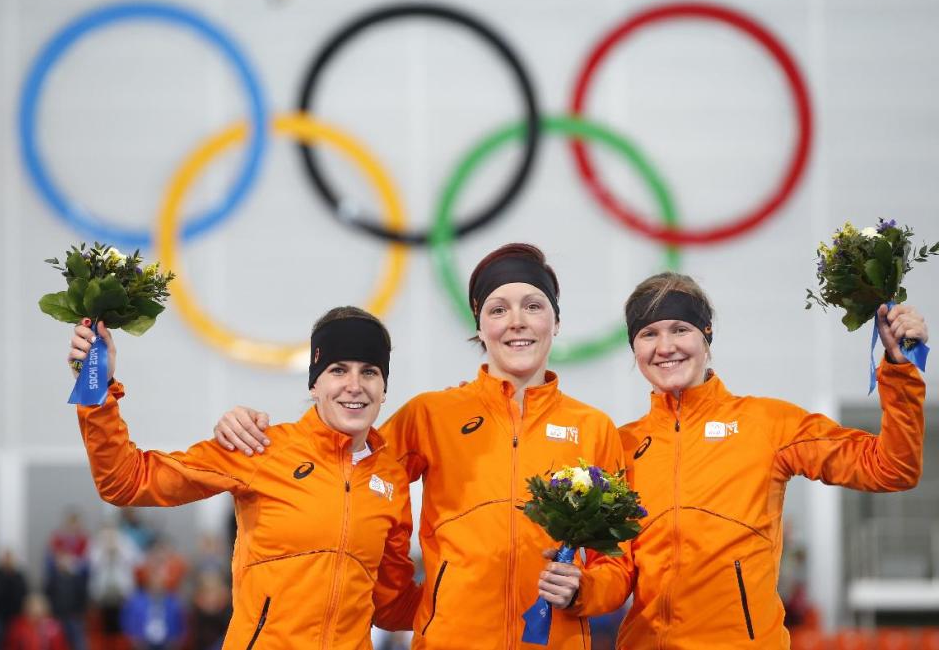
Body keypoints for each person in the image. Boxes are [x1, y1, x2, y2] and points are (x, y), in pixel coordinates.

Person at [214, 243, 628, 648]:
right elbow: (348, 470)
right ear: (479, 326)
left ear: (555, 321)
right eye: (498, 309)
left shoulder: (593, 428)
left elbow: (618, 561)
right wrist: (257, 432)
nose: (516, 321)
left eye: (533, 306)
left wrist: (583, 590)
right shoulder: (432, 415)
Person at [536, 271, 927, 649]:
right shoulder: (621, 446)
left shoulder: (768, 425)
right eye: (648, 334)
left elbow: (891, 468)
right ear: (635, 349)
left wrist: (900, 371)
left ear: (706, 335)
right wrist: (579, 590)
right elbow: (617, 572)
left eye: (680, 329)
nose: (664, 346)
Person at [67, 306, 420, 648]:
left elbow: (391, 605)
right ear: (315, 384)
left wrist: (471, 585)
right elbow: (126, 480)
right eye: (339, 370)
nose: (355, 385)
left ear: (384, 389)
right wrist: (97, 386)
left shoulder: (391, 479)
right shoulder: (260, 447)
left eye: (370, 371)